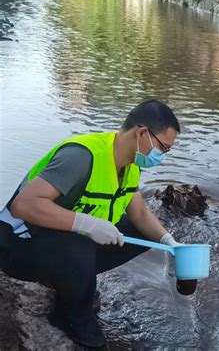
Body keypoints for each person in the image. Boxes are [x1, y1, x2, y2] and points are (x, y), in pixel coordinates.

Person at [0, 99, 183, 348]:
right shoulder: (82, 156)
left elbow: (139, 213)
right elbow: (25, 205)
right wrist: (86, 224)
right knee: (81, 245)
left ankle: (71, 283)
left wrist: (170, 244)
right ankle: (71, 314)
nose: (161, 157)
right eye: (162, 148)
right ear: (142, 133)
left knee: (143, 233)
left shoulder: (129, 165)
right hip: (18, 245)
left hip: (57, 243)